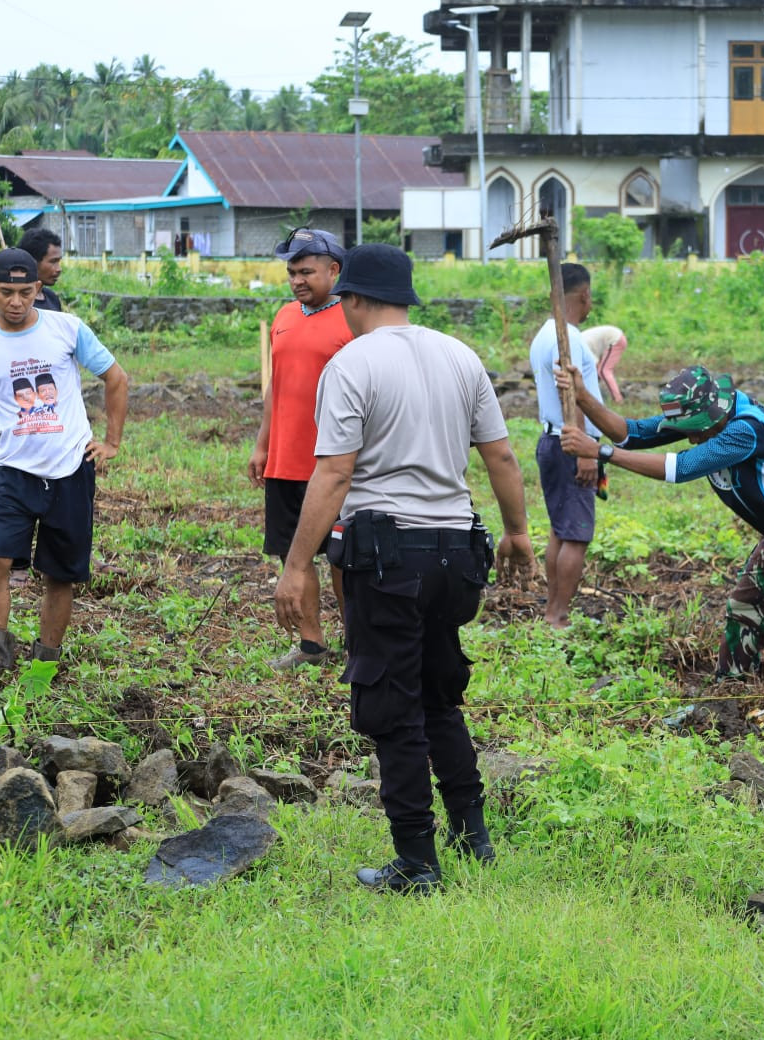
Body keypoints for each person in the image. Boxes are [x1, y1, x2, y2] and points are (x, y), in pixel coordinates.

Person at [272, 243, 535, 895]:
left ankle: (416, 862)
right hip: (456, 553)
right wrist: (520, 532)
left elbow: (334, 471)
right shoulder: (460, 356)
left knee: (392, 705)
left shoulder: (352, 363)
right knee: (440, 693)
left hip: (389, 555)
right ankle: (472, 834)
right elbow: (500, 457)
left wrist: (297, 565)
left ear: (352, 298)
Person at [557, 363, 764, 763]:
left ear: (711, 414)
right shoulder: (704, 418)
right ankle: (724, 700)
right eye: (688, 429)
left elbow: (679, 469)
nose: (693, 436)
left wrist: (601, 453)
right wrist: (581, 396)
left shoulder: (743, 430)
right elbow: (629, 432)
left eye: (697, 429)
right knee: (744, 606)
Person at [0, 248, 130, 676]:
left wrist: (111, 441)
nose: (16, 302)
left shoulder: (67, 329)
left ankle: (45, 662)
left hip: (70, 469)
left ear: (39, 288)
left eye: (26, 291)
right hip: (13, 473)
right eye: (6, 292)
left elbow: (116, 377)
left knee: (60, 573)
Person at [247, 227, 353, 669]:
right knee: (296, 553)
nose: (297, 281)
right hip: (286, 462)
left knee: (346, 557)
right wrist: (262, 445)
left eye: (307, 271)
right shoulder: (285, 316)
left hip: (335, 463)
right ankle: (312, 645)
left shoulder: (353, 319)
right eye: (292, 273)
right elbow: (277, 388)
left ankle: (358, 640)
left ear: (334, 269)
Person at [530, 263, 602, 629]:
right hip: (571, 441)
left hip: (553, 438)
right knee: (576, 533)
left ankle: (553, 611)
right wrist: (588, 449)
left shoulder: (545, 334)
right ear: (584, 295)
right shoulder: (567, 338)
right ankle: (558, 615)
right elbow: (568, 390)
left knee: (561, 529)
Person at [0, 228, 65, 319]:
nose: (59, 269)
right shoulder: (8, 310)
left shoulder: (52, 298)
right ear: (32, 261)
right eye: (53, 261)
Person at [580, 324, 628, 402]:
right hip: (614, 338)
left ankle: (618, 399)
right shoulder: (578, 341)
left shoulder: (581, 345)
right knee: (598, 372)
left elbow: (594, 365)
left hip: (615, 340)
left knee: (603, 371)